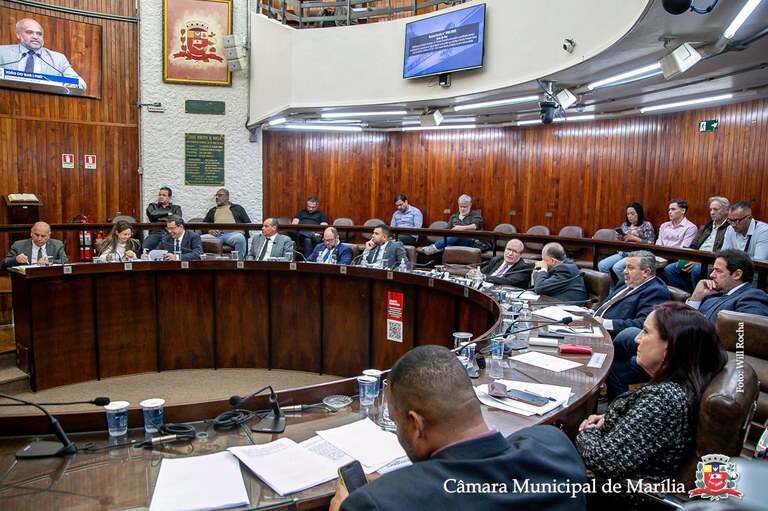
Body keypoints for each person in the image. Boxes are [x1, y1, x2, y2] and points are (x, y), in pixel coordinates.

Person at [329, 345, 588, 511]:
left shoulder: (376, 504)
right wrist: (400, 481)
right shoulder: (555, 447)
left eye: (396, 423)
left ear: (416, 425)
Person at [577, 303, 727, 488]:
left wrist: (587, 431)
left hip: (611, 490)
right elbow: (643, 431)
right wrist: (612, 419)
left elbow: (603, 461)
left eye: (646, 332)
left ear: (669, 348)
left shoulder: (664, 400)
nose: (638, 338)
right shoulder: (677, 388)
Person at [593, 250, 671, 339]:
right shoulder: (627, 281)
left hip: (612, 337)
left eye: (630, 268)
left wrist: (605, 323)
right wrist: (591, 312)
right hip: (594, 327)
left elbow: (642, 324)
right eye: (625, 267)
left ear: (646, 272)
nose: (625, 271)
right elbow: (609, 303)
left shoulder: (656, 291)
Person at [664, 196, 730, 292]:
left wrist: (701, 261)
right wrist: (692, 258)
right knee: (670, 269)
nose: (712, 212)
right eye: (711, 209)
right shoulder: (706, 226)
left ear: (726, 210)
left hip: (711, 261)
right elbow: (694, 245)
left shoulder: (729, 228)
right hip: (696, 258)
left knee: (696, 270)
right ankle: (686, 295)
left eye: (715, 209)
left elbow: (722, 251)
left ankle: (697, 297)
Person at [0, 18, 86, 89]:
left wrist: (74, 85)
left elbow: (80, 82)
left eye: (39, 34)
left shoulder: (58, 59)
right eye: (29, 32)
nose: (35, 37)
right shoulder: (2, 52)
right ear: (18, 35)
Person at [686, 249, 768, 322]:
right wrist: (696, 297)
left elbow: (746, 331)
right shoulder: (710, 298)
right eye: (713, 270)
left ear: (737, 274)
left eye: (718, 271)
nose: (711, 275)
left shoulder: (753, 297)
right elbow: (686, 325)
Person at [597, 202, 655, 287]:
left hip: (636, 254)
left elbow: (651, 243)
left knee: (617, 267)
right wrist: (620, 238)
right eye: (628, 214)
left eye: (632, 213)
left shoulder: (646, 225)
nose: (629, 216)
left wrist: (634, 238)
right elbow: (621, 241)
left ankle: (627, 288)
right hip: (622, 252)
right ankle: (611, 290)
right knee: (602, 265)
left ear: (639, 213)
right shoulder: (624, 225)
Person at [417, 195, 483, 255]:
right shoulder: (454, 217)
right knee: (447, 247)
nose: (462, 209)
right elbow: (448, 230)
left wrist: (461, 228)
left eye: (465, 207)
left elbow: (475, 226)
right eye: (461, 206)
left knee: (458, 234)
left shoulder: (475, 214)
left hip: (470, 241)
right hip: (454, 241)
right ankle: (443, 263)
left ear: (470, 205)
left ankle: (435, 247)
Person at [201, 189, 252, 260]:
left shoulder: (237, 208)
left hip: (232, 235)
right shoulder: (212, 210)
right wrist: (209, 231)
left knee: (240, 238)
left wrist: (242, 229)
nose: (217, 197)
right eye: (216, 195)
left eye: (219, 195)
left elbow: (247, 222)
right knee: (198, 239)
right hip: (216, 236)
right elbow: (203, 225)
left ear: (227, 197)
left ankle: (239, 263)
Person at [1, 221, 69, 269]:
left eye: (43, 236)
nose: (39, 239)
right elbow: (3, 264)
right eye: (36, 235)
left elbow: (65, 261)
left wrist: (49, 262)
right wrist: (15, 260)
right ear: (31, 233)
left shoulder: (57, 245)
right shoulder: (18, 245)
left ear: (49, 235)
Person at [144, 187, 182, 251]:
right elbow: (152, 214)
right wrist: (167, 214)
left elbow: (177, 219)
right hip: (155, 233)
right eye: (160, 195)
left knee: (173, 248)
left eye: (164, 195)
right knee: (145, 247)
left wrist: (158, 217)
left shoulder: (176, 208)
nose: (161, 197)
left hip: (170, 234)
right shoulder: (153, 206)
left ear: (169, 197)